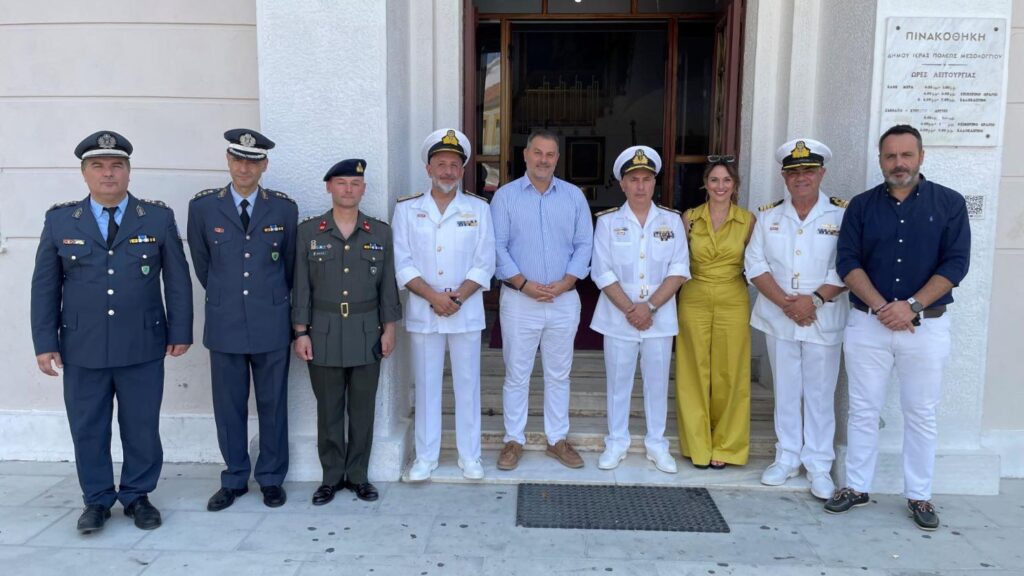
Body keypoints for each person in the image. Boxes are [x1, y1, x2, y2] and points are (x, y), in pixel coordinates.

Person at [30, 131, 193, 533]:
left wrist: (181, 330)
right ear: (84, 173)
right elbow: (45, 286)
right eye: (98, 166)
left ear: (129, 172)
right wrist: (45, 342)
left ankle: (137, 496)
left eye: (116, 165)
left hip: (142, 342)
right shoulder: (60, 220)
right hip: (82, 346)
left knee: (141, 425)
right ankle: (97, 500)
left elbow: (177, 280)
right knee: (88, 427)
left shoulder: (156, 218)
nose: (108, 173)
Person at [826, 124, 970, 531]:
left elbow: (956, 264)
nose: (898, 163)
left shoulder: (949, 203)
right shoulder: (861, 206)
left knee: (921, 412)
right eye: (890, 156)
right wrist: (882, 307)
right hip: (868, 324)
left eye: (906, 155)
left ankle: (919, 494)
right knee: (862, 409)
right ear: (880, 159)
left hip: (925, 327)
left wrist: (911, 306)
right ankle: (856, 486)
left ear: (920, 157)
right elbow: (847, 261)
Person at [187, 129, 297, 511]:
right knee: (229, 406)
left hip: (271, 321)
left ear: (264, 164)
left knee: (273, 404)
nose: (244, 168)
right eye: (238, 159)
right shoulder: (203, 207)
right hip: (225, 322)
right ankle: (234, 477)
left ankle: (271, 477)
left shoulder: (283, 209)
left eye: (253, 161)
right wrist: (229, 295)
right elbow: (204, 265)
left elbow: (289, 266)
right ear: (228, 160)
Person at [292, 158, 401, 504]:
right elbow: (300, 285)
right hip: (322, 332)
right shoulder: (309, 232)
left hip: (368, 331)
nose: (348, 190)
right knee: (329, 410)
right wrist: (300, 332)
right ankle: (330, 477)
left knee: (363, 409)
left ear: (363, 189)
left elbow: (388, 286)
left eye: (355, 184)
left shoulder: (379, 232)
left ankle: (358, 476)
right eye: (341, 183)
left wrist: (389, 329)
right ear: (329, 187)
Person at [744, 138, 848, 499]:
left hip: (823, 316)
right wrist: (786, 304)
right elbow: (754, 264)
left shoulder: (841, 214)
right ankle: (786, 457)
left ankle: (818, 465)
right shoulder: (768, 216)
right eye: (793, 172)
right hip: (780, 317)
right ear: (784, 177)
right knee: (786, 391)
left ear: (822, 174)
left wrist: (813, 301)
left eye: (808, 171)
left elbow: (848, 265)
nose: (801, 177)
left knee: (819, 394)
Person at [393, 129, 495, 481]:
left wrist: (458, 297)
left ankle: (470, 456)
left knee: (468, 386)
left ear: (463, 170)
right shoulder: (407, 209)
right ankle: (426, 456)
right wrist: (434, 297)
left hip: (466, 311)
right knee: (426, 386)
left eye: (454, 165)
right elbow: (403, 262)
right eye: (441, 164)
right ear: (428, 168)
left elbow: (485, 262)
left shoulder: (479, 209)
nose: (448, 171)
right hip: (425, 311)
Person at [490, 129, 594, 471]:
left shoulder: (573, 197)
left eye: (550, 154)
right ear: (526, 154)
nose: (543, 160)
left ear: (557, 159)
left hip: (563, 300)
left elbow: (584, 244)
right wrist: (523, 284)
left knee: (559, 374)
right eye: (538, 153)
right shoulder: (505, 197)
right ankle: (513, 440)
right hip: (520, 300)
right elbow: (496, 246)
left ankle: (557, 439)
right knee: (517, 374)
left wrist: (566, 282)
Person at [590, 146, 689, 474]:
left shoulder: (672, 220)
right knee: (618, 382)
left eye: (647, 179)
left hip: (659, 318)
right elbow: (602, 271)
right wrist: (632, 309)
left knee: (657, 383)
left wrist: (650, 307)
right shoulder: (608, 222)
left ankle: (656, 443)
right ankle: (617, 441)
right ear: (622, 184)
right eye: (633, 179)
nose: (641, 186)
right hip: (619, 317)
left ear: (655, 182)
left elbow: (679, 269)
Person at [676, 156, 755, 469]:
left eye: (726, 180)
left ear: (735, 185)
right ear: (705, 184)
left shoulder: (748, 220)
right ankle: (697, 444)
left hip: (732, 296)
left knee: (731, 372)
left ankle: (726, 445)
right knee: (692, 370)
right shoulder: (690, 218)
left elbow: (756, 262)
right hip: (694, 294)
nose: (720, 186)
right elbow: (677, 259)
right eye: (714, 180)